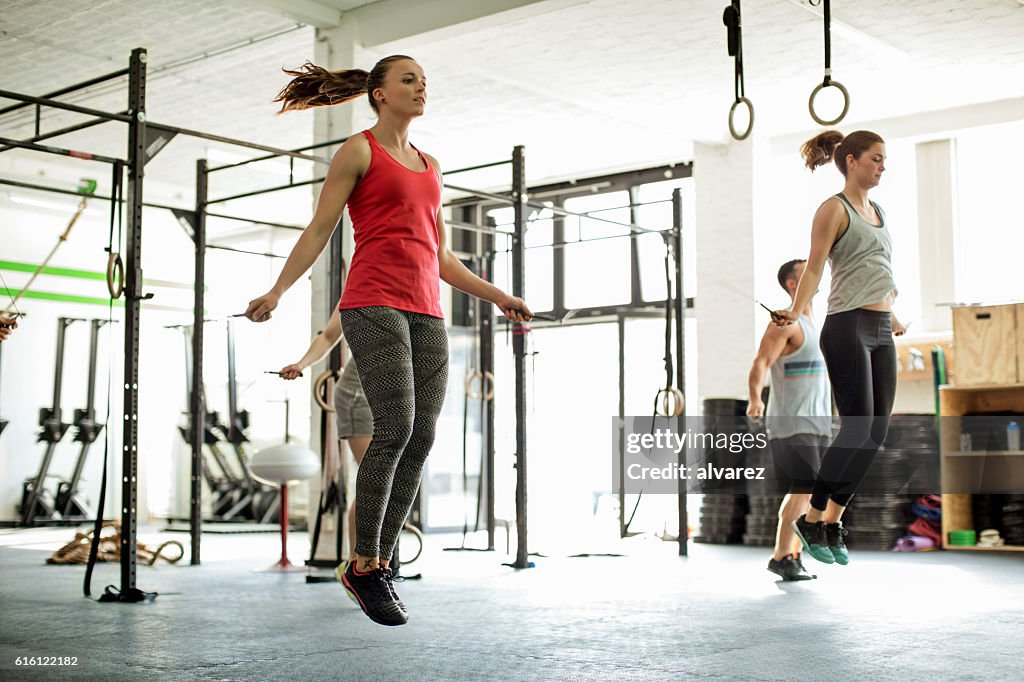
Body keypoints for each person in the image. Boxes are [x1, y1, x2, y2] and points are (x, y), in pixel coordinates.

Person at [245, 55, 531, 626]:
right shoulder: (357, 151)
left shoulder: (431, 165)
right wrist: (277, 291)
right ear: (378, 94)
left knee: (422, 436)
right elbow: (320, 229)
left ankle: (383, 560)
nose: (421, 86)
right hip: (372, 302)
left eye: (425, 80)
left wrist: (498, 294)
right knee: (395, 427)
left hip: (427, 310)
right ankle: (365, 565)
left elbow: (441, 255)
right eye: (408, 80)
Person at [774, 130, 907, 566]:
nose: (882, 166)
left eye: (884, 159)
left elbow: (880, 268)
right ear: (851, 160)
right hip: (847, 324)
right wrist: (795, 311)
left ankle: (830, 521)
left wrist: (892, 314)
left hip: (880, 326)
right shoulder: (834, 208)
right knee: (855, 428)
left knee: (875, 434)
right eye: (875, 158)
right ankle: (812, 518)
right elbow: (814, 268)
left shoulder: (879, 212)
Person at [747, 259, 831, 581]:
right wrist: (755, 399)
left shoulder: (812, 324)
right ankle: (782, 556)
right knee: (804, 488)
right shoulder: (786, 323)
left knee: (805, 491)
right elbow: (760, 363)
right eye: (806, 270)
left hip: (815, 422)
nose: (816, 272)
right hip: (793, 422)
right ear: (793, 284)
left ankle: (789, 555)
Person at [278, 308, 370, 571]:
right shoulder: (361, 286)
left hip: (390, 399)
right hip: (358, 398)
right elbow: (329, 336)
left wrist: (498, 297)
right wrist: (302, 363)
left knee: (394, 482)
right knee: (375, 480)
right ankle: (359, 567)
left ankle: (374, 564)